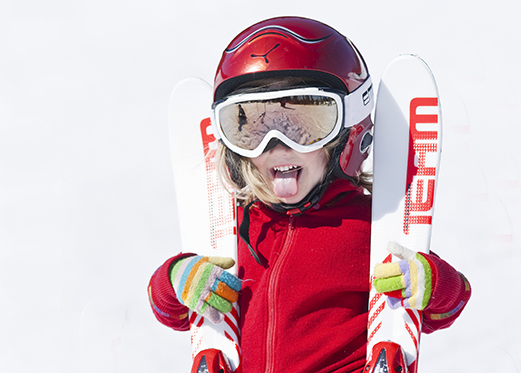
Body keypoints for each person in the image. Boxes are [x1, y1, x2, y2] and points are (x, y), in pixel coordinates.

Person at [148, 16, 471, 373]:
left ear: (344, 134)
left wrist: (432, 282)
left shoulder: (372, 225)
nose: (276, 146)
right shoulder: (236, 232)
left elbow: (450, 305)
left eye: (304, 125)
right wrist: (177, 278)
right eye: (252, 128)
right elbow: (171, 313)